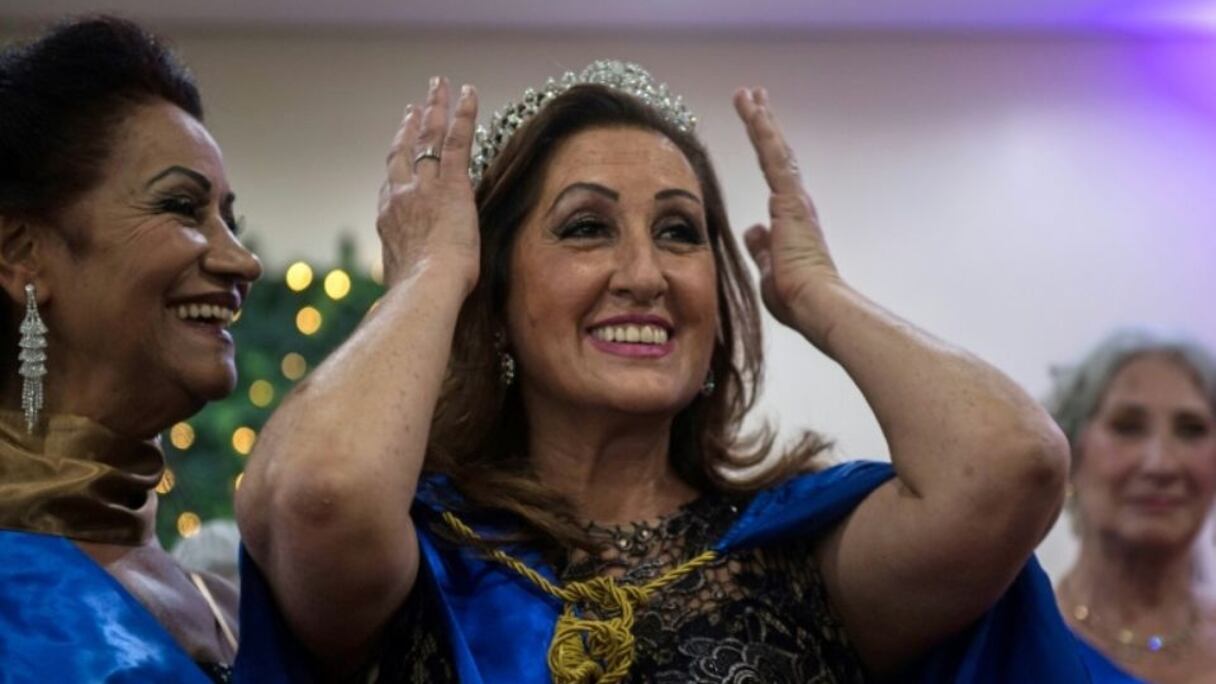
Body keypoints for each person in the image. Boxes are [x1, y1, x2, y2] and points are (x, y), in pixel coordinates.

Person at [235, 61, 1083, 682]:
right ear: (494, 294)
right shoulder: (420, 551)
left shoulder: (802, 555)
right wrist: (432, 273)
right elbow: (318, 493)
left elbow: (1013, 465)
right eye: (585, 229)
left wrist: (817, 291)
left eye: (679, 233)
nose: (645, 274)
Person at [0, 16, 262, 682]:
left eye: (229, 221)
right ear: (23, 254)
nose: (242, 261)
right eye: (181, 207)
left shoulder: (232, 605)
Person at [1048, 329, 1216, 682]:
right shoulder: (1019, 636)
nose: (1161, 465)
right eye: (1128, 427)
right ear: (1071, 454)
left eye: (1191, 430)